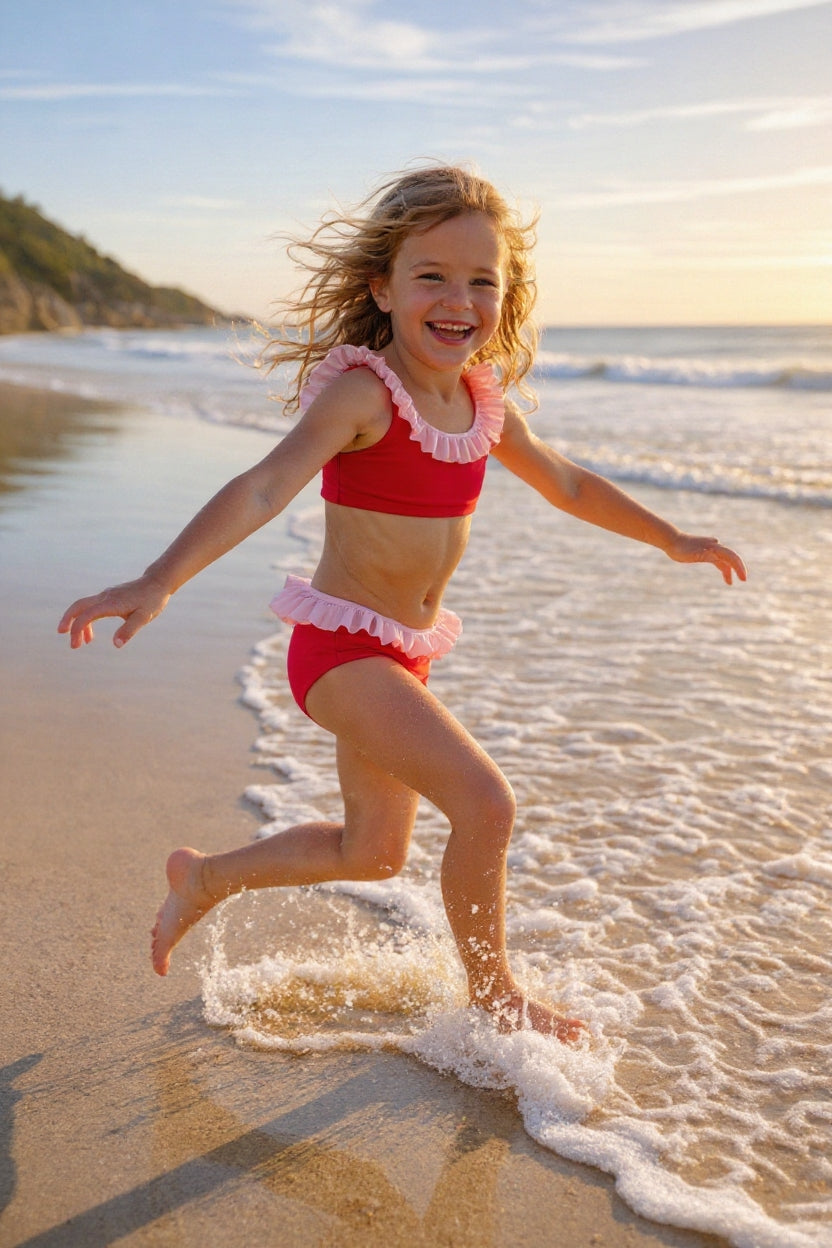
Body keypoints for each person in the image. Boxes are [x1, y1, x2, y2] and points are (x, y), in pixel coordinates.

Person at [58, 166, 746, 1043]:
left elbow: (568, 483)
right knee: (486, 805)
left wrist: (672, 538)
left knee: (373, 853)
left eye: (482, 281)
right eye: (433, 276)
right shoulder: (362, 394)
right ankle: (497, 1001)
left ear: (506, 296)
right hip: (342, 651)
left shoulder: (480, 401)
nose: (459, 298)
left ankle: (204, 878)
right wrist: (158, 579)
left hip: (403, 648)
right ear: (382, 287)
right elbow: (264, 489)